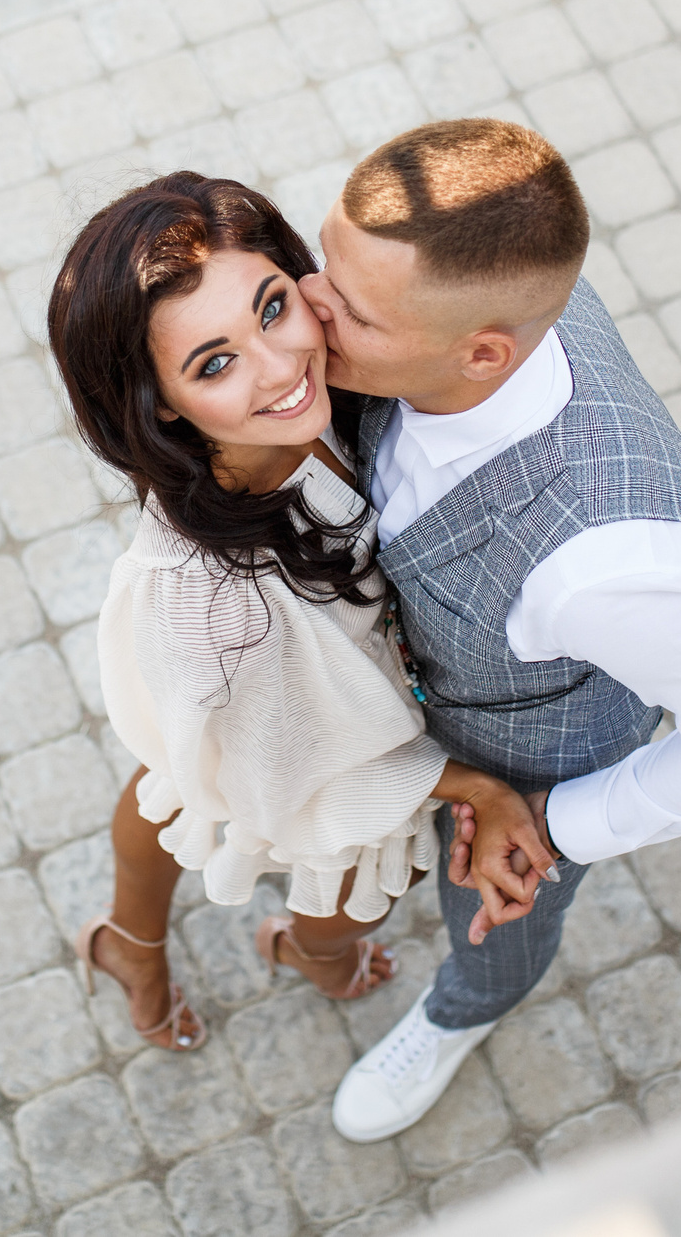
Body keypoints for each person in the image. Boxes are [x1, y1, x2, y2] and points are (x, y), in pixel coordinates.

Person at [299, 118, 681, 1141]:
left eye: (353, 314)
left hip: (529, 758)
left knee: (494, 910)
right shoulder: (459, 318)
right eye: (324, 262)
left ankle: (465, 1007)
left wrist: (556, 826)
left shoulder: (609, 566)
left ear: (484, 351)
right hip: (423, 696)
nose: (311, 313)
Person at [47, 172, 553, 1052]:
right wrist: (471, 783)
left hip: (305, 698)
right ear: (160, 401)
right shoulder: (216, 611)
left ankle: (136, 942)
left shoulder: (341, 387)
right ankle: (301, 953)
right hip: (294, 752)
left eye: (273, 307)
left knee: (172, 780)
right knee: (297, 849)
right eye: (215, 362)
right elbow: (288, 771)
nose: (282, 368)